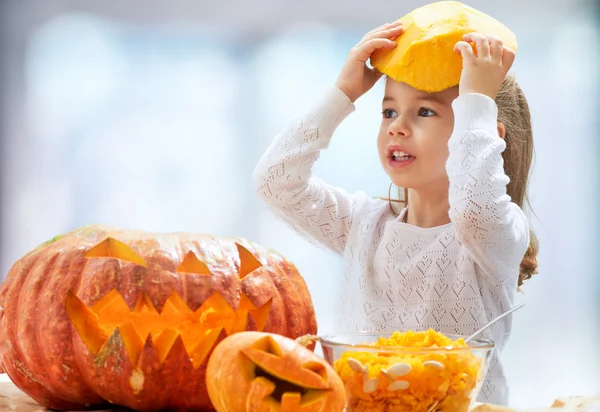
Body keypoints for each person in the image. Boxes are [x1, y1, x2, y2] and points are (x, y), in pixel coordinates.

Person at [252, 19, 538, 405]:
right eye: (388, 112)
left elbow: (473, 206)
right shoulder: (363, 224)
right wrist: (343, 93)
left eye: (425, 112)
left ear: (485, 134)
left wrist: (477, 101)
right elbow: (275, 182)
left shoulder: (495, 235)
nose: (397, 128)